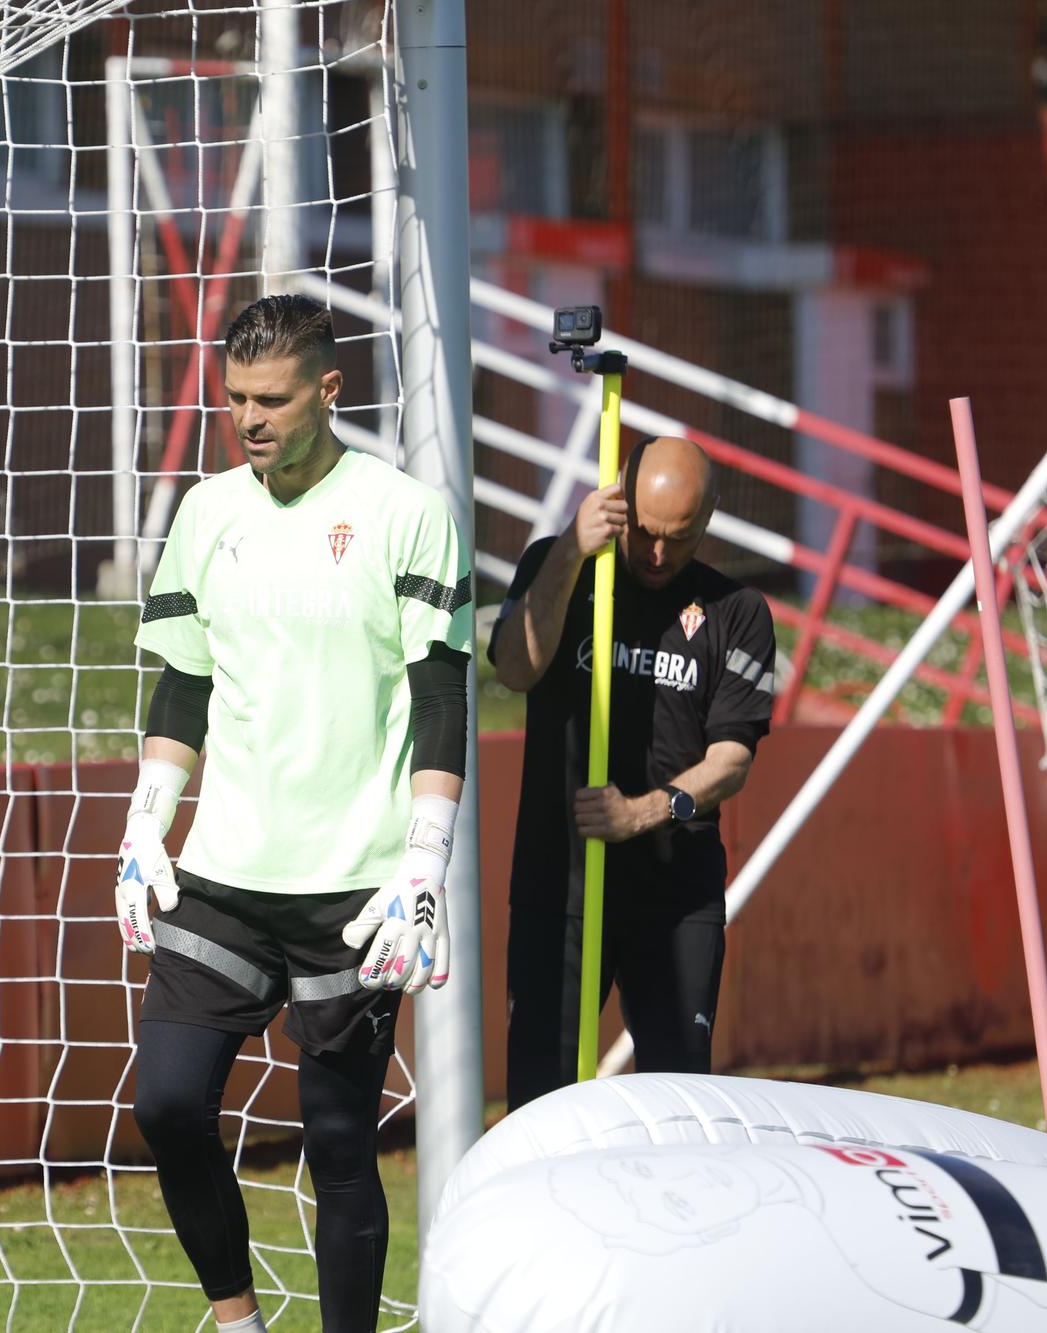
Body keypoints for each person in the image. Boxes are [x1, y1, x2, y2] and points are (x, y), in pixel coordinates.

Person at [116, 293, 472, 1333]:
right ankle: (236, 1321)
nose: (250, 419)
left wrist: (424, 858)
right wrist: (146, 822)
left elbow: (441, 692)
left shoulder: (406, 512)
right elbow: (182, 685)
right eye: (235, 399)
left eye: (272, 398)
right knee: (169, 1105)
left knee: (338, 1144)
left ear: (329, 389)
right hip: (221, 877)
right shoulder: (205, 512)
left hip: (354, 890)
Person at [489, 435, 775, 1110]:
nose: (656, 554)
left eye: (678, 538)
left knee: (677, 1100)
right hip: (559, 886)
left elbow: (731, 760)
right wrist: (570, 549)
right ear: (619, 502)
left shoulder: (737, 612)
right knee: (540, 1101)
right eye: (645, 532)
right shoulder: (559, 567)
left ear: (709, 518)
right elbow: (513, 668)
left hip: (675, 896)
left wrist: (642, 812)